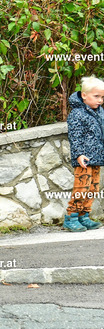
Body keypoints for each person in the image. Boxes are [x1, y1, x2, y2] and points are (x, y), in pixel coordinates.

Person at [63, 76, 104, 232]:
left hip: (97, 157)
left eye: (102, 97)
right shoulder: (77, 113)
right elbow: (75, 136)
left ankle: (84, 215)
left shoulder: (100, 112)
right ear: (84, 95)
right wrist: (79, 154)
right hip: (84, 159)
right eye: (96, 96)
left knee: (93, 188)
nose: (100, 100)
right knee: (82, 188)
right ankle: (71, 217)